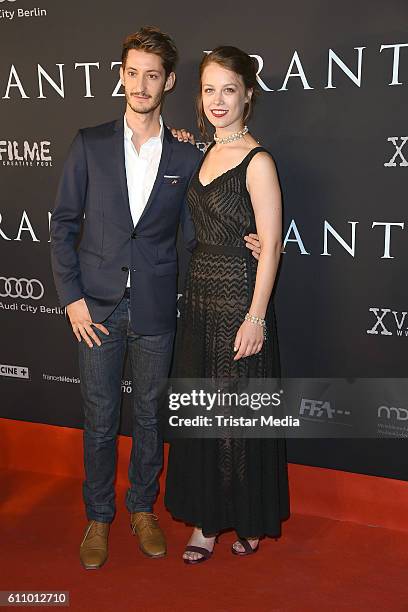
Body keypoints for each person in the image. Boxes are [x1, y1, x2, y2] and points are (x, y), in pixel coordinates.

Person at [50, 27, 260, 569]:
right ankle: (99, 517)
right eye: (132, 72)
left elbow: (207, 218)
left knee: (148, 416)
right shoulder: (90, 142)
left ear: (168, 82)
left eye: (152, 75)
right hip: (94, 309)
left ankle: (142, 508)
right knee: (99, 419)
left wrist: (249, 238)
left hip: (156, 307)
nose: (140, 84)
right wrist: (71, 298)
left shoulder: (187, 153)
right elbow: (63, 224)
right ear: (120, 76)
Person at [165, 46, 290, 563]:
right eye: (209, 89)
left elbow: (271, 243)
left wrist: (256, 317)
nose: (218, 100)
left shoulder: (259, 162)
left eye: (229, 89)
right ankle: (205, 522)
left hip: (240, 298)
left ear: (248, 95)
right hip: (199, 298)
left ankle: (248, 516)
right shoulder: (203, 152)